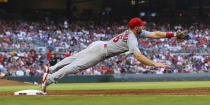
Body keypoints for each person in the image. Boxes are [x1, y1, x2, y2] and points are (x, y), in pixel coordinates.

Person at [41, 17, 189, 94]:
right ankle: (49, 79)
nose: (143, 27)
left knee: (74, 58)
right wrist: (154, 64)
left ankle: (51, 69)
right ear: (136, 27)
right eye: (141, 25)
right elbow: (137, 56)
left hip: (99, 44)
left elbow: (156, 34)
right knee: (75, 66)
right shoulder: (132, 38)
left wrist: (174, 34)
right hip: (101, 51)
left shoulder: (135, 32)